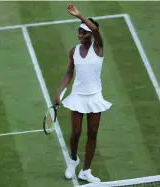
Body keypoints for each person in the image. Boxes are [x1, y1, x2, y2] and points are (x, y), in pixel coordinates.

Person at [54, 4, 112, 183]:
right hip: (78, 96)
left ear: (91, 35)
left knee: (92, 133)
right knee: (76, 133)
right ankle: (73, 160)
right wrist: (59, 92)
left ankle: (86, 171)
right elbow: (69, 73)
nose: (80, 35)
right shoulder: (74, 51)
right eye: (79, 32)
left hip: (95, 96)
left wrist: (79, 15)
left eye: (84, 32)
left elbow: (94, 28)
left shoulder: (99, 48)